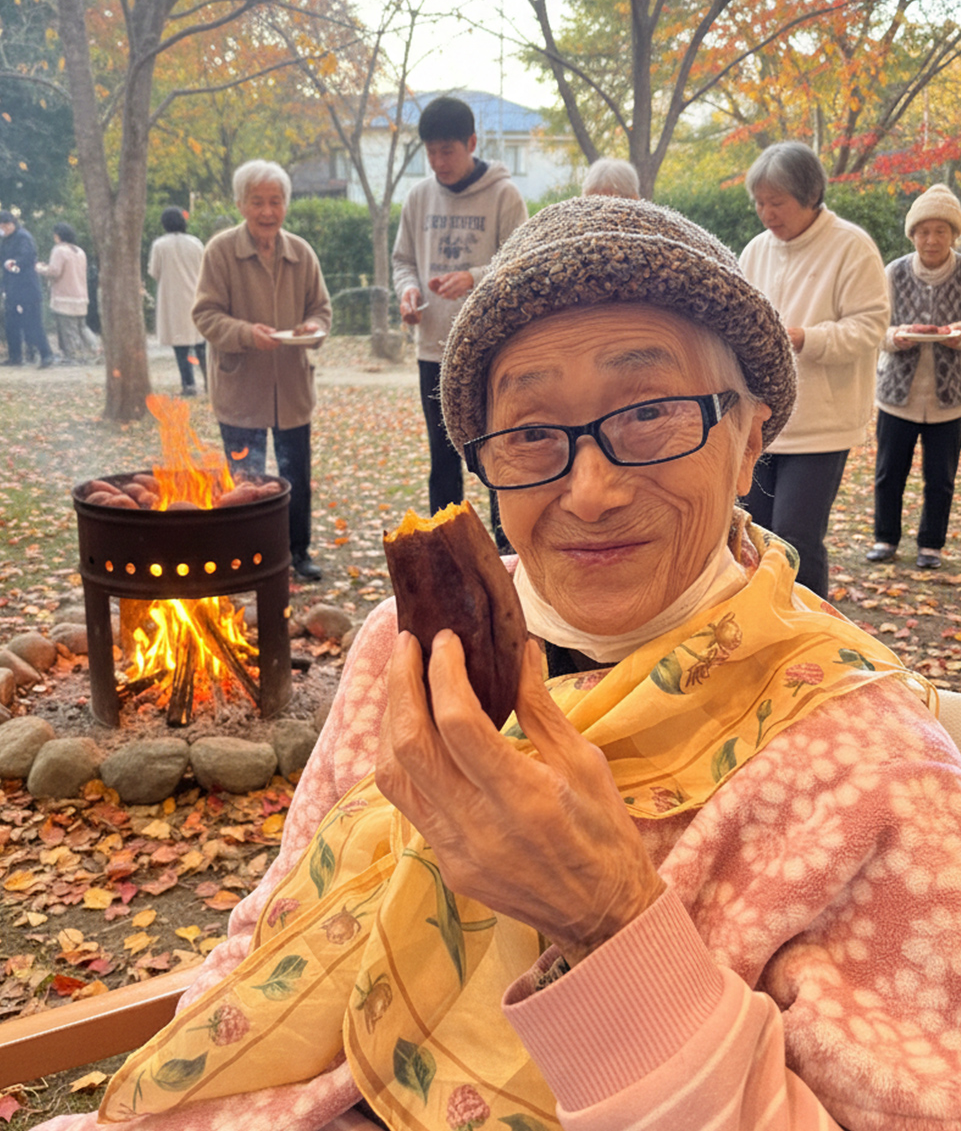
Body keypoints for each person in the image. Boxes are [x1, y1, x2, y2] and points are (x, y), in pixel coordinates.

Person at [46, 197, 961, 1131]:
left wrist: (607, 918)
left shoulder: (879, 773)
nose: (590, 491)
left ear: (750, 438)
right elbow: (278, 918)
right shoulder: (407, 652)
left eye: (648, 412)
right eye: (530, 433)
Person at [739, 141, 889, 596]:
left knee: (795, 538)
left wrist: (807, 337)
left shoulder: (850, 246)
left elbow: (871, 326)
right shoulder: (756, 251)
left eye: (777, 202)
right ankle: (754, 622)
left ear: (809, 196)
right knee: (750, 533)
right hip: (762, 421)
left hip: (822, 423)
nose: (767, 213)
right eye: (760, 203)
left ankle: (807, 635)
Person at [193, 160, 332, 583]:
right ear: (241, 204)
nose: (268, 211)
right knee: (245, 479)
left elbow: (321, 311)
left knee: (295, 475)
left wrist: (313, 329)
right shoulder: (220, 251)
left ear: (285, 205)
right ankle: (246, 555)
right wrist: (246, 333)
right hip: (240, 388)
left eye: (275, 201)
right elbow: (205, 314)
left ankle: (297, 552)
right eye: (258, 202)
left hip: (291, 389)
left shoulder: (300, 252)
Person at [392, 95, 528, 518]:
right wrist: (408, 291)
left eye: (446, 151)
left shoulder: (504, 195)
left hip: (490, 350)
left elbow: (521, 265)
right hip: (433, 348)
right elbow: (403, 261)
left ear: (470, 143)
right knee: (442, 460)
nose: (437, 162)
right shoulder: (418, 197)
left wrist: (473, 276)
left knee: (498, 453)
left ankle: (509, 554)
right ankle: (448, 558)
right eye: (430, 152)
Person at [867, 183, 961, 570]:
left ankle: (931, 545)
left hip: (950, 397)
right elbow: (874, 326)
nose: (931, 239)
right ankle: (885, 538)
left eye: (941, 230)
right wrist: (894, 337)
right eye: (924, 231)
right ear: (913, 234)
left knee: (940, 478)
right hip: (896, 393)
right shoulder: (894, 272)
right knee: (889, 473)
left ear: (953, 234)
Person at [149, 206, 207, 396]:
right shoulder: (196, 243)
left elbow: (154, 272)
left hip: (173, 300)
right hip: (196, 297)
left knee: (180, 346)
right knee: (201, 344)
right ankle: (210, 382)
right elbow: (204, 269)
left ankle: (188, 384)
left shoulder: (159, 245)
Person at [0, 209, 55, 369]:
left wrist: (13, 262)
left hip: (27, 287)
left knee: (34, 323)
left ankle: (46, 355)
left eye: (2, 227)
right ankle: (15, 356)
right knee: (12, 323)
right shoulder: (6, 240)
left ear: (10, 224)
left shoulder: (23, 237)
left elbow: (28, 256)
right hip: (12, 288)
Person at [36, 221, 95, 364]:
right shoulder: (79, 251)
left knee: (67, 328)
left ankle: (72, 356)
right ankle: (92, 351)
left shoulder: (59, 250)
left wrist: (40, 268)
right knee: (81, 327)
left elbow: (54, 271)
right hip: (81, 295)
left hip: (65, 296)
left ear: (58, 235)